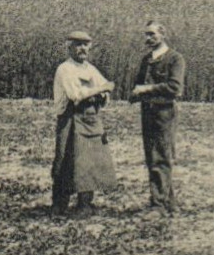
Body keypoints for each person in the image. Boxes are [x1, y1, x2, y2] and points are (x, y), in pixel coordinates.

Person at [51, 30, 117, 216]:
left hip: (90, 119)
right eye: (78, 44)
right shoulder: (65, 69)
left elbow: (107, 87)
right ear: (69, 47)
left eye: (85, 44)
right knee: (65, 159)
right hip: (70, 119)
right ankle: (59, 204)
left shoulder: (90, 69)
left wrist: (102, 92)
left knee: (89, 161)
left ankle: (85, 203)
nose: (82, 48)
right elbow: (75, 95)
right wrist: (100, 89)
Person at [129, 20, 186, 213]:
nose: (148, 38)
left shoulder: (175, 59)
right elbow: (138, 84)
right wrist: (135, 93)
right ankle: (168, 203)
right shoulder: (147, 59)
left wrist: (148, 88)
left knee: (161, 157)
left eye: (152, 34)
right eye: (146, 34)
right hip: (147, 113)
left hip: (164, 114)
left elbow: (175, 88)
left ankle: (158, 204)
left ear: (163, 35)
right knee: (152, 157)